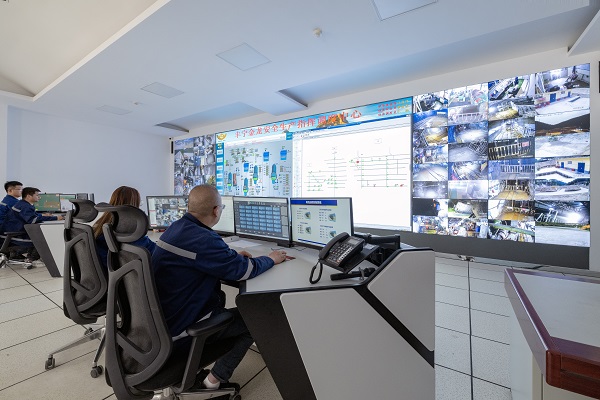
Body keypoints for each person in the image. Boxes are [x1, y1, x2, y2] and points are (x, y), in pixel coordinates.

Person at [151, 184, 287, 390]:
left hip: (163, 321)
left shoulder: (177, 228)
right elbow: (245, 271)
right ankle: (212, 382)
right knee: (256, 319)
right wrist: (271, 259)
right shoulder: (203, 238)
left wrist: (229, 259)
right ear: (216, 211)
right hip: (183, 328)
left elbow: (198, 260)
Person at [93, 186, 156, 271]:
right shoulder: (132, 235)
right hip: (129, 276)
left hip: (111, 274)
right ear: (134, 207)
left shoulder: (101, 228)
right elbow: (156, 251)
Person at [3, 187, 64, 260]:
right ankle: (31, 259)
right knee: (41, 240)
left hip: (13, 232)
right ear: (29, 196)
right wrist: (56, 218)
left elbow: (33, 216)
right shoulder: (25, 206)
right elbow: (33, 220)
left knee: (39, 236)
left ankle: (27, 257)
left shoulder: (23, 204)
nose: (39, 197)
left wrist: (43, 215)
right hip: (15, 235)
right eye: (37, 195)